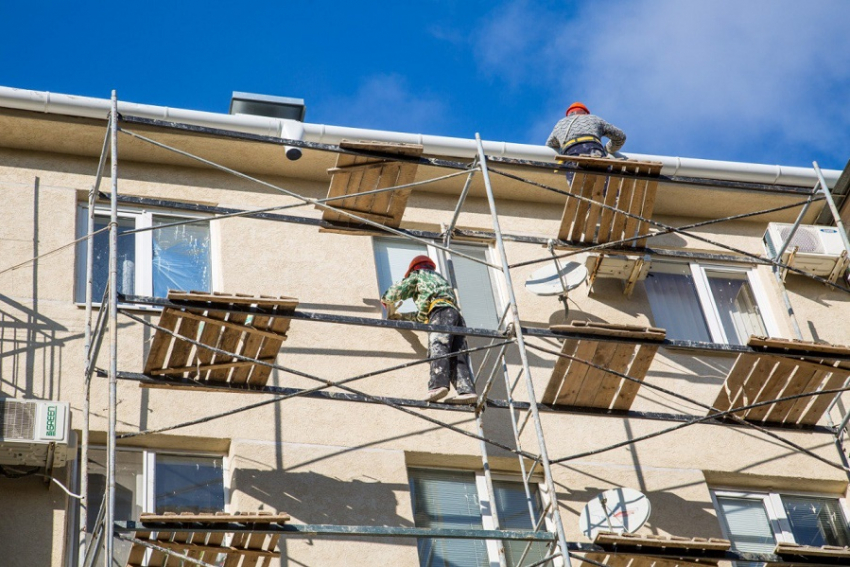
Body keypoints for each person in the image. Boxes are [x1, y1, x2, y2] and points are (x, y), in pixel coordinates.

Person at [381, 255, 477, 404]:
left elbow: (397, 291)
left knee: (438, 347)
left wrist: (386, 300)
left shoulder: (419, 275)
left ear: (414, 269)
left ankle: (437, 386)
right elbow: (424, 317)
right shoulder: (440, 280)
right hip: (455, 315)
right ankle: (466, 391)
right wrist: (402, 317)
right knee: (457, 354)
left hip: (441, 313)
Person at [546, 102, 626, 158]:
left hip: (570, 154)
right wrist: (607, 150)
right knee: (601, 178)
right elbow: (620, 136)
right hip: (594, 150)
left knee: (575, 180)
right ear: (585, 113)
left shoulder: (560, 123)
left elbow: (549, 147)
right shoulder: (594, 119)